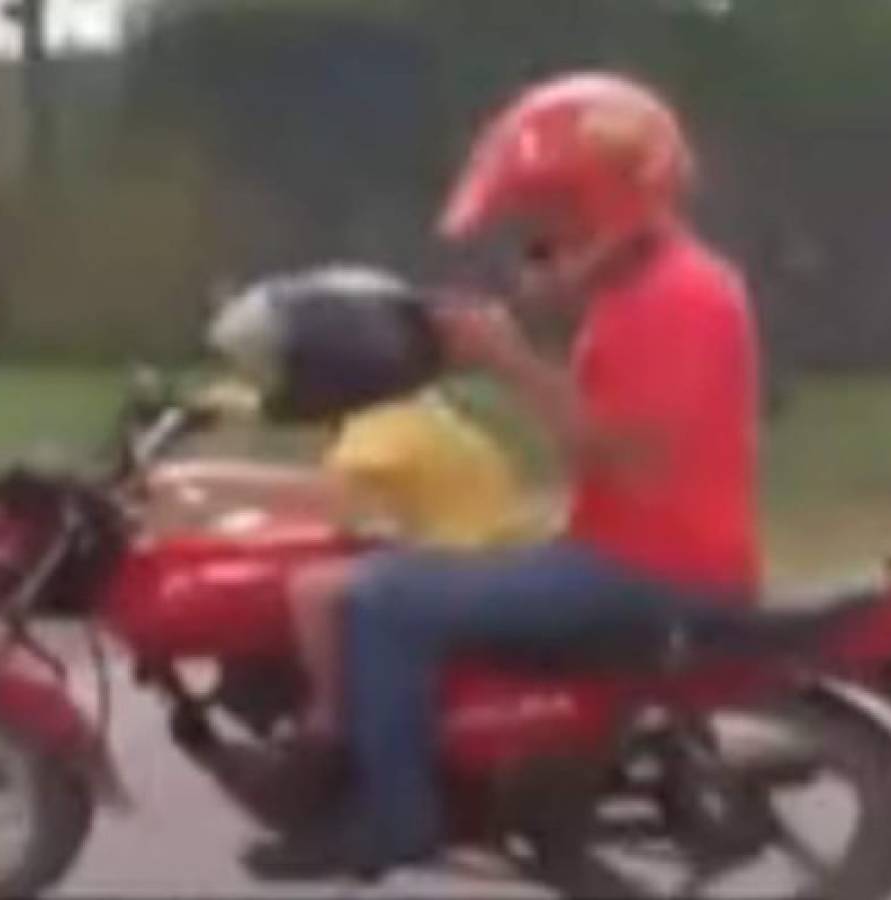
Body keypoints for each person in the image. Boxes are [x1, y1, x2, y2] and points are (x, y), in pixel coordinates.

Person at [246, 70, 762, 877]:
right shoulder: (646, 293)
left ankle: (396, 817)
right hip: (624, 549)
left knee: (384, 598)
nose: (546, 235)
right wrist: (513, 336)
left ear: (605, 201)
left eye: (556, 214)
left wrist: (507, 359)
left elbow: (620, 450)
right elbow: (609, 444)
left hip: (649, 572)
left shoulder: (676, 299)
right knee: (405, 569)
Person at [150, 379, 539, 738]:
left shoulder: (384, 425)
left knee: (311, 588)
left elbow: (321, 496)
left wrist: (200, 474)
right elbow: (296, 410)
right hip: (466, 543)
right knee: (273, 534)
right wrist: (218, 407)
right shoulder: (403, 406)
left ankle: (329, 719)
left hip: (459, 557)